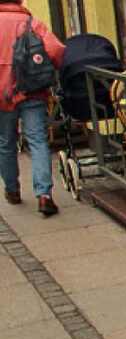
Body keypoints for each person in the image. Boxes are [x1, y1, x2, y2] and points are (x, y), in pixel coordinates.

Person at [0, 0, 65, 216]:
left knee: (6, 143)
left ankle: (12, 190)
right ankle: (44, 195)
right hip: (33, 90)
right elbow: (56, 50)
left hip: (3, 94)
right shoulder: (32, 23)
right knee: (37, 141)